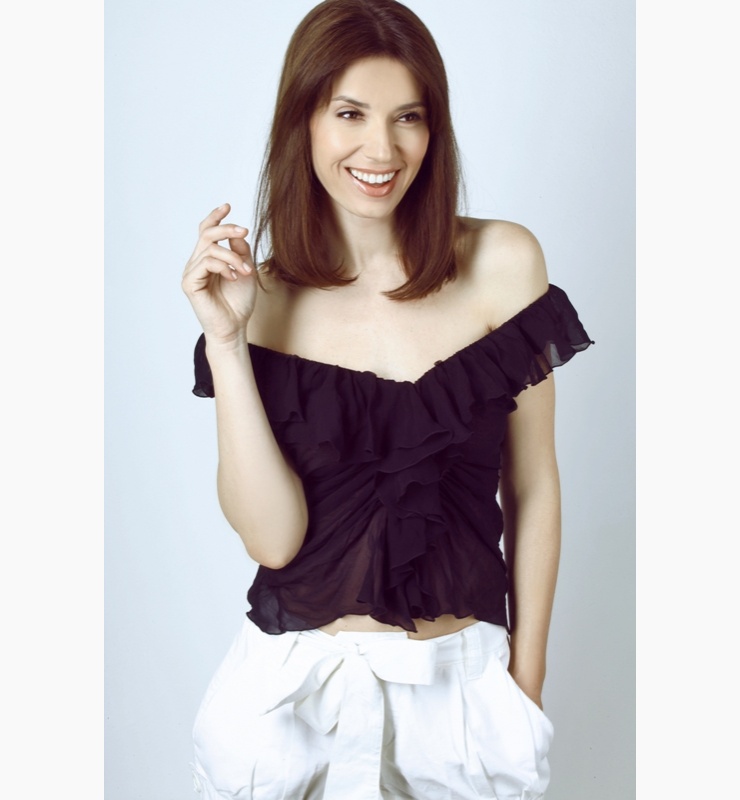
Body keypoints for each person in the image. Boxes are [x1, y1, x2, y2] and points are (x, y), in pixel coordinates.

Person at [181, 1, 593, 798]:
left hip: (460, 704)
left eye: (409, 116)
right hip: (287, 709)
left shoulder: (503, 264)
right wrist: (227, 344)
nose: (382, 149)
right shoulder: (258, 300)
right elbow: (273, 541)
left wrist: (525, 687)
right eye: (350, 114)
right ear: (302, 122)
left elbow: (534, 485)